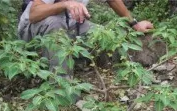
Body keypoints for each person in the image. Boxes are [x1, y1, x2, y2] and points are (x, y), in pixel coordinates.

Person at [18, 0, 154, 73]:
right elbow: (34, 14)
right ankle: (61, 86)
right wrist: (65, 4)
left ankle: (122, 72)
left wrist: (135, 24)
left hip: (70, 25)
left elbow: (113, 1)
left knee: (104, 34)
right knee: (55, 24)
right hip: (33, 30)